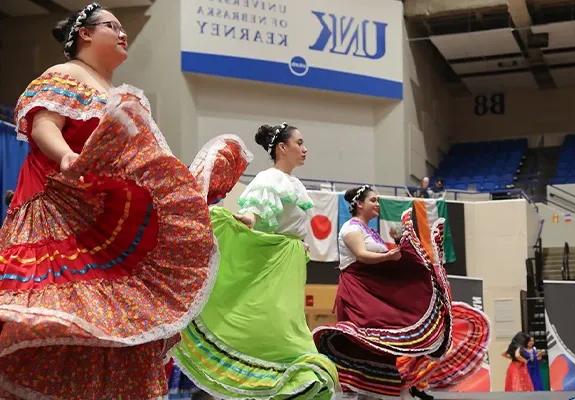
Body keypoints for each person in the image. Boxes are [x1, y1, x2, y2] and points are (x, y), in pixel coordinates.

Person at [0, 3, 217, 398]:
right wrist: (65, 154)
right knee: (60, 314)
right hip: (58, 212)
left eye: (123, 28)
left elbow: (146, 163)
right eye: (112, 26)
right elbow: (44, 122)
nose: (123, 34)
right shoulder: (65, 74)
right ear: (84, 33)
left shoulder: (118, 94)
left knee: (112, 326)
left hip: (105, 223)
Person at [172, 125, 338, 399]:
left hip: (289, 266)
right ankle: (271, 382)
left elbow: (289, 225)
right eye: (299, 142)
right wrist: (248, 218)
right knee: (275, 331)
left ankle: (281, 383)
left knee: (285, 329)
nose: (305, 148)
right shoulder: (270, 178)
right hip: (274, 267)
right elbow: (254, 211)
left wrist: (298, 243)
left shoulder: (293, 184)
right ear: (282, 148)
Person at [313, 186, 490, 399]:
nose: (377, 204)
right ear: (359, 204)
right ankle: (367, 391)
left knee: (389, 340)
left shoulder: (369, 231)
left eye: (378, 201)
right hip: (358, 291)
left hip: (373, 289)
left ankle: (396, 386)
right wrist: (391, 255)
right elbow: (361, 255)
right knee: (371, 342)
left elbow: (379, 258)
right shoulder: (350, 228)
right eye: (374, 200)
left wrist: (400, 253)